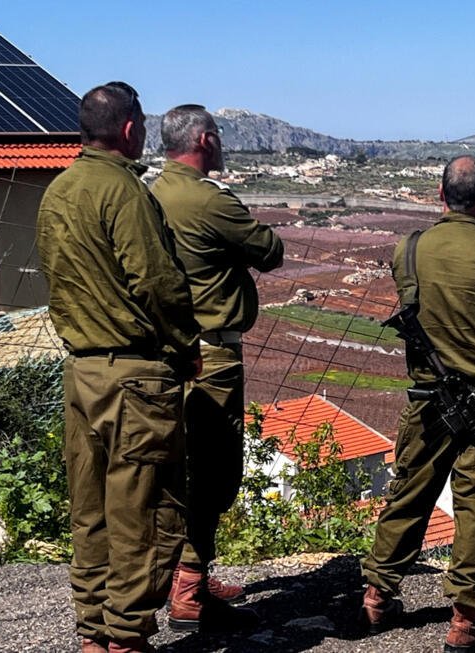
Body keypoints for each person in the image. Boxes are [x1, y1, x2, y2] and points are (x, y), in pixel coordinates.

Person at [37, 82, 202, 653]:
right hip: (135, 375)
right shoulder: (125, 192)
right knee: (144, 511)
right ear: (131, 129)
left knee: (91, 512)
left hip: (80, 372)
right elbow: (158, 282)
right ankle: (127, 635)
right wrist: (186, 347)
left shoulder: (57, 190)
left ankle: (93, 632)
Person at [360, 155, 475, 652]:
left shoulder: (410, 248)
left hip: (425, 400)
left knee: (410, 494)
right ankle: (464, 619)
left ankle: (378, 593)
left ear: (440, 195)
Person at [151, 104, 283, 631]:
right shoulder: (208, 200)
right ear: (204, 140)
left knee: (174, 464)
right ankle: (188, 588)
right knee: (215, 469)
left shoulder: (149, 193)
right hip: (211, 353)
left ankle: (184, 576)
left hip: (162, 350)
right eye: (220, 137)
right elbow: (269, 251)